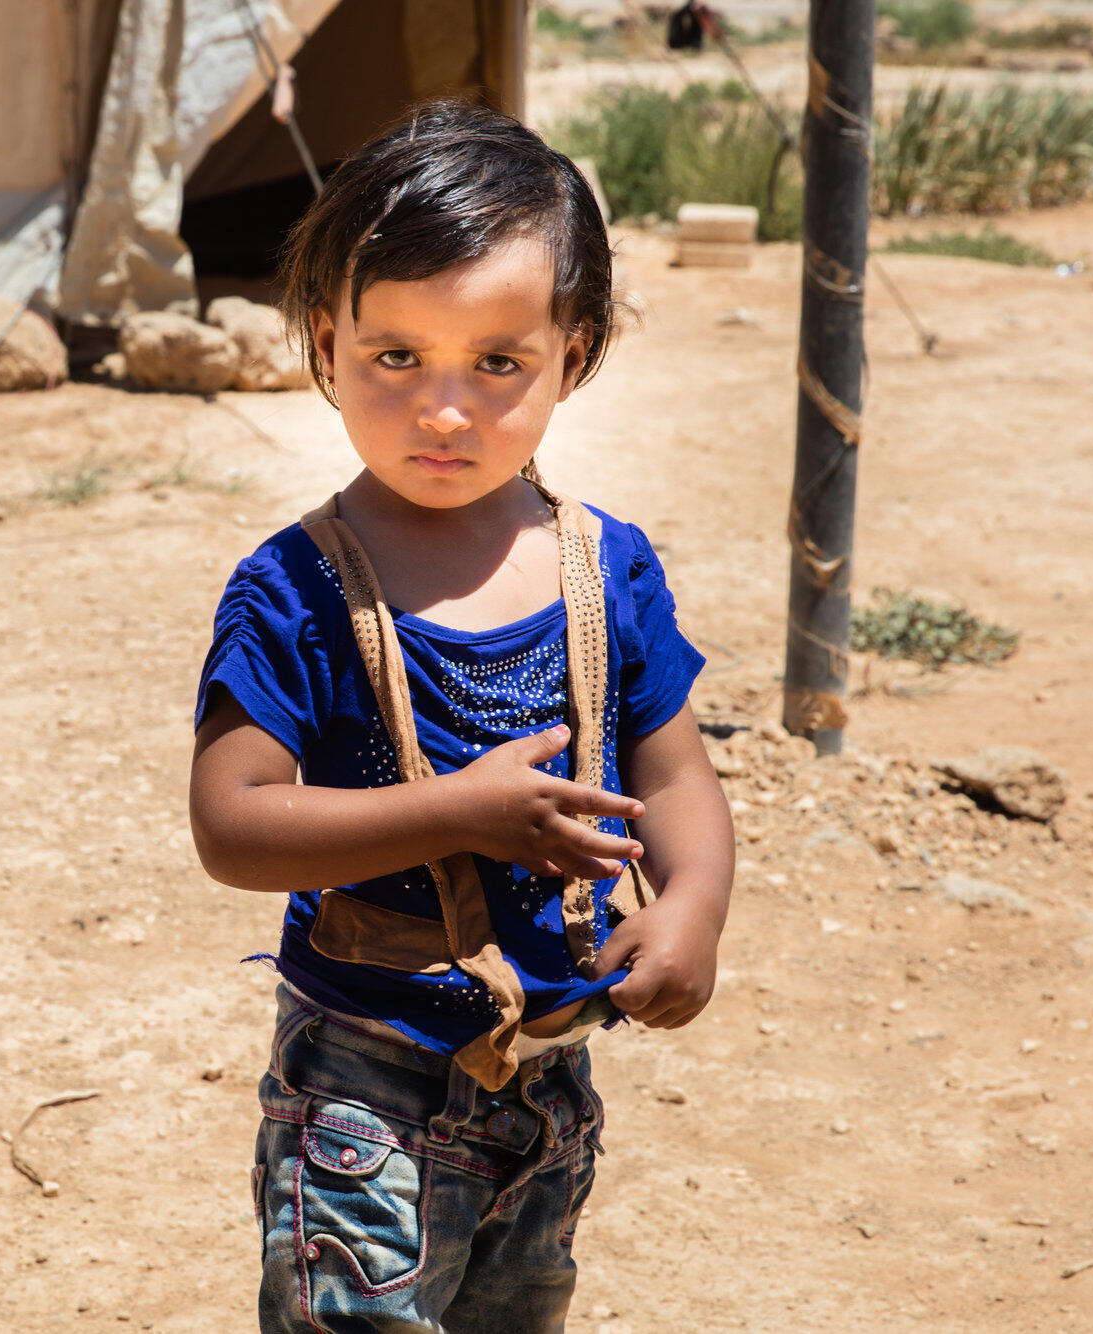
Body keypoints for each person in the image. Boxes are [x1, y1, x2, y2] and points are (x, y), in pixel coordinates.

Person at [188, 99, 735, 1333]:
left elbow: (678, 773)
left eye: (497, 362)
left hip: (548, 1076)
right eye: (396, 357)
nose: (444, 409)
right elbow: (233, 824)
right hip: (359, 1083)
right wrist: (463, 808)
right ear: (324, 344)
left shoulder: (605, 570)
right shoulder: (295, 587)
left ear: (572, 351)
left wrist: (693, 901)